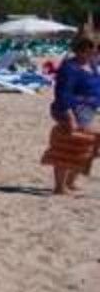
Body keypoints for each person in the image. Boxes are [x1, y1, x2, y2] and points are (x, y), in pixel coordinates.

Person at [44, 36, 100, 196]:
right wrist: (70, 118)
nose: (96, 51)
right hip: (70, 111)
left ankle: (70, 181)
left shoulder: (92, 66)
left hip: (88, 111)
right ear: (84, 50)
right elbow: (63, 94)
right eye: (94, 48)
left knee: (88, 146)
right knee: (67, 146)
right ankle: (60, 187)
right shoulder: (69, 68)